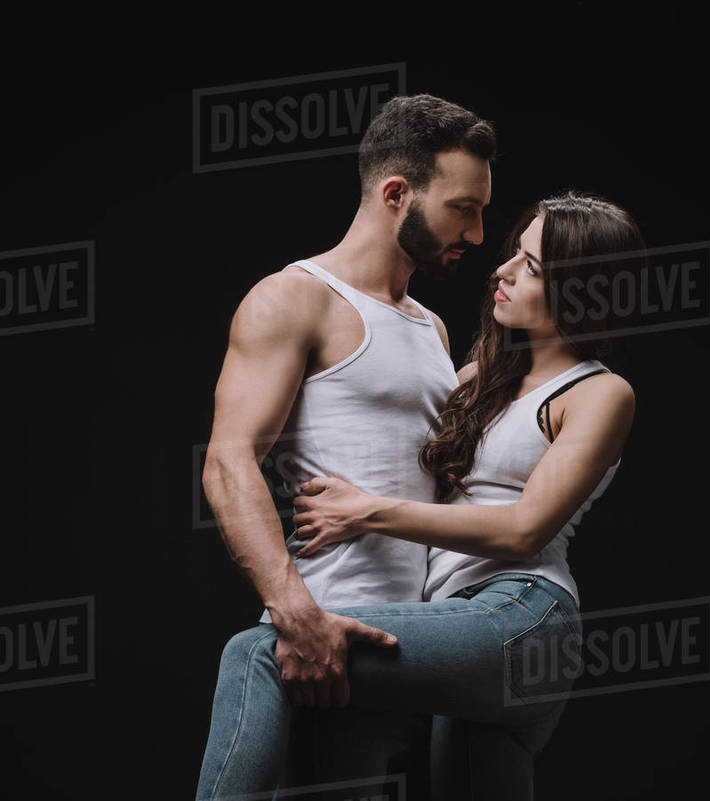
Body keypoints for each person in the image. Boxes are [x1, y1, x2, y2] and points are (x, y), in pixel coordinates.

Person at [195, 190, 643, 801]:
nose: (504, 269)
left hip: (522, 616)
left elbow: (523, 530)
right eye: (515, 254)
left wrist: (367, 513)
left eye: (532, 267)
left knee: (259, 652)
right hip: (454, 622)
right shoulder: (479, 378)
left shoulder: (600, 393)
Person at [197, 93, 496, 796]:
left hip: (415, 655)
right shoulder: (295, 297)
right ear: (397, 193)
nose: (479, 233)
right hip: (324, 653)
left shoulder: (431, 328)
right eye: (464, 208)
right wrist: (293, 613)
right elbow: (226, 458)